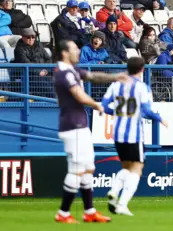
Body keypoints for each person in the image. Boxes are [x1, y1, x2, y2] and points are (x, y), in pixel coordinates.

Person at [52, 40, 126, 224]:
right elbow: (78, 94)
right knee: (77, 169)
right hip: (72, 126)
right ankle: (63, 213)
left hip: (80, 125)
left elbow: (93, 76)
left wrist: (115, 77)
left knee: (88, 168)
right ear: (65, 53)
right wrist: (96, 104)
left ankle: (89, 211)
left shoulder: (72, 70)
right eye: (75, 49)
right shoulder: (63, 72)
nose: (78, 51)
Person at [103, 56, 168, 216]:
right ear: (142, 69)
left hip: (118, 134)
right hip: (134, 134)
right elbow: (146, 110)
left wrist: (118, 112)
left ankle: (114, 191)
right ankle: (122, 203)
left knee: (126, 167)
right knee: (137, 169)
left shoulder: (116, 84)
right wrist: (160, 118)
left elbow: (104, 106)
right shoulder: (142, 87)